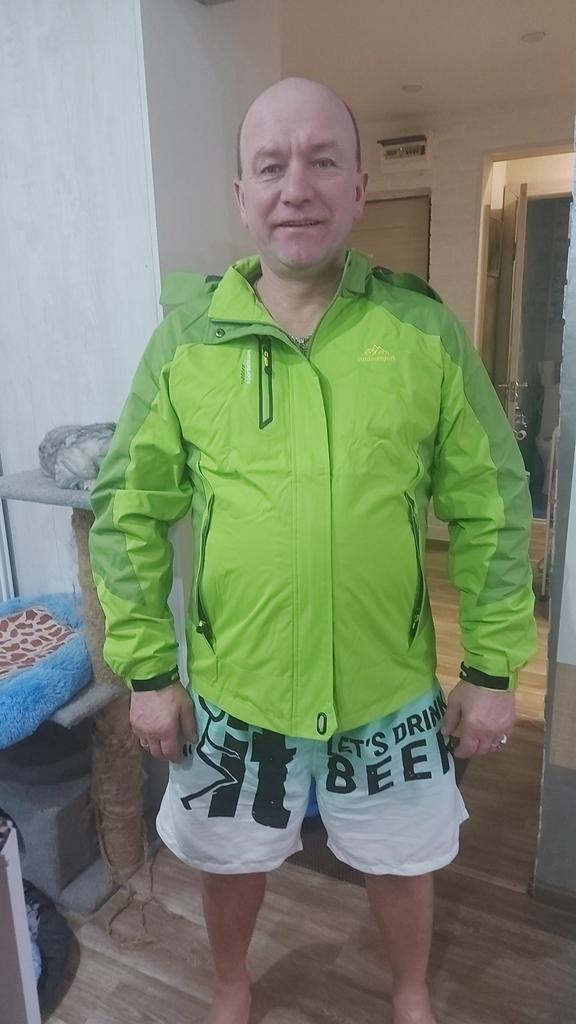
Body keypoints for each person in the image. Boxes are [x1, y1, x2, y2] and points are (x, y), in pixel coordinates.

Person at [89, 77, 537, 1024]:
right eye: (271, 166)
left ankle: (410, 993)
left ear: (360, 187)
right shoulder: (186, 344)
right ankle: (231, 987)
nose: (296, 186)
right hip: (237, 689)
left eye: (322, 161)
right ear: (241, 195)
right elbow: (128, 511)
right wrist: (149, 672)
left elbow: (493, 500)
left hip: (387, 687)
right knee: (227, 860)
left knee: (403, 859)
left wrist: (493, 667)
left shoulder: (420, 330)